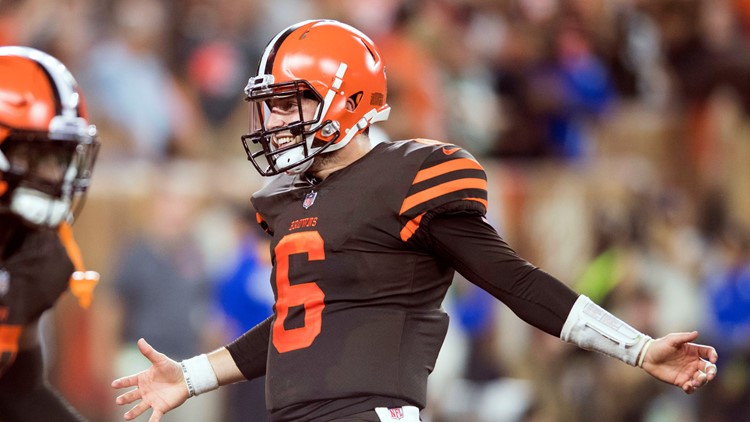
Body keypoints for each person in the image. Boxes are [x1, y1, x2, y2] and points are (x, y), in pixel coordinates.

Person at [112, 20, 719, 422]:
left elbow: (517, 282)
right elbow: (299, 326)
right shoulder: (290, 200)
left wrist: (637, 349)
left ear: (346, 100)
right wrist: (190, 376)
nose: (272, 124)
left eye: (288, 104)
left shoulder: (411, 176)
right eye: (267, 108)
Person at [0, 46, 101, 421]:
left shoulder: (39, 253)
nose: (55, 176)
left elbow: (19, 390)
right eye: (35, 154)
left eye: (60, 157)